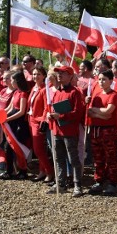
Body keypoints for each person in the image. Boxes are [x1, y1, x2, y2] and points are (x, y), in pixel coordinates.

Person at [46, 66, 86, 197]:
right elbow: (55, 110)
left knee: (73, 158)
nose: (59, 75)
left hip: (70, 131)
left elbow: (78, 113)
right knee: (58, 158)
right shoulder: (57, 92)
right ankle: (61, 183)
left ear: (70, 76)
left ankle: (77, 185)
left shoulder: (75, 92)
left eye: (63, 73)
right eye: (58, 73)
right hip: (57, 131)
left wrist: (61, 116)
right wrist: (50, 115)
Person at [87, 70, 117, 195]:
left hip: (108, 130)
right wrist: (101, 113)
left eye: (104, 79)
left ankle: (112, 182)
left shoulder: (113, 95)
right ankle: (99, 180)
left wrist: (98, 113)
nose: (101, 82)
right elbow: (90, 112)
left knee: (110, 156)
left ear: (111, 81)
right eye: (99, 79)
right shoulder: (96, 95)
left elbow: (109, 111)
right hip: (96, 129)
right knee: (98, 157)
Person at [0, 71, 30, 180]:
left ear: (16, 81)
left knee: (18, 148)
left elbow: (21, 111)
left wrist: (7, 118)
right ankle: (10, 170)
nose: (10, 81)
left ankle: (23, 171)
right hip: (11, 123)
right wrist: (0, 114)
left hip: (19, 124)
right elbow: (10, 108)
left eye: (12, 80)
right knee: (8, 147)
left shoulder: (23, 93)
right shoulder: (16, 92)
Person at [27, 66, 54, 183]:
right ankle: (42, 171)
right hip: (31, 119)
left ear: (44, 76)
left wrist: (43, 121)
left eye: (38, 74)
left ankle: (49, 171)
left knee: (39, 149)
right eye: (33, 74)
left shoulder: (45, 89)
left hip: (38, 122)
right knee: (37, 148)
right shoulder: (34, 88)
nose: (35, 76)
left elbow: (46, 108)